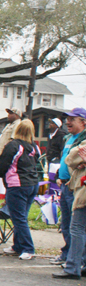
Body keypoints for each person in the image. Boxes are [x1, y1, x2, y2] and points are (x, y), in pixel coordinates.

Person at [0, 119, 39, 261]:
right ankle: (17, 246)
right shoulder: (33, 147)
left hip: (17, 185)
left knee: (18, 218)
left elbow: (2, 165)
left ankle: (28, 248)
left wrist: (1, 175)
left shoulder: (13, 145)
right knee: (21, 217)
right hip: (32, 184)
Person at [52, 108, 86, 266]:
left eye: (73, 119)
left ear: (83, 122)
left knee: (77, 226)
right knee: (65, 224)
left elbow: (77, 161)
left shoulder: (83, 139)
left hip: (76, 186)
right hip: (64, 184)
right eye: (67, 119)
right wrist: (59, 175)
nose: (68, 122)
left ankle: (77, 259)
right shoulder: (68, 138)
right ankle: (67, 254)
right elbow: (64, 159)